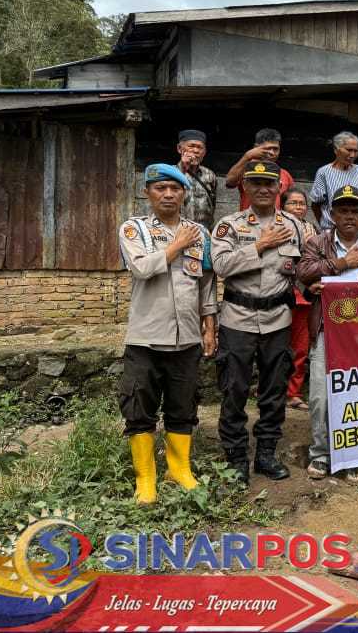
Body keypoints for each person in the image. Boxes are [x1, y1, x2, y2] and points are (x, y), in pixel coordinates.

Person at [117, 164, 217, 505]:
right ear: (148, 192)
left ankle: (179, 469)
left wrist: (210, 326)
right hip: (145, 337)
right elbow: (142, 268)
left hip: (187, 337)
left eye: (175, 189)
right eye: (160, 188)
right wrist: (175, 246)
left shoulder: (199, 234)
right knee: (138, 406)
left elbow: (207, 283)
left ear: (184, 193)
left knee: (183, 404)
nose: (169, 194)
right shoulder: (135, 230)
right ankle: (146, 478)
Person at [211, 160, 307, 485]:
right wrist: (259, 245)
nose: (264, 189)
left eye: (270, 183)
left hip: (278, 319)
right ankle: (236, 457)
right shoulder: (229, 225)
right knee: (234, 389)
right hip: (237, 319)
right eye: (256, 183)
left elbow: (305, 267)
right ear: (246, 188)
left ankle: (265, 454)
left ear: (279, 188)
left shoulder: (295, 225)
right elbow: (221, 265)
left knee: (274, 390)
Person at [297, 185, 358, 479]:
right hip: (328, 327)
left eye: (355, 211)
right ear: (332, 214)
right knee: (321, 396)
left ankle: (353, 455)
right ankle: (321, 454)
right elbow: (304, 271)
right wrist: (343, 263)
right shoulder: (317, 242)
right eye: (343, 211)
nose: (350, 216)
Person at [280, 189, 319, 411]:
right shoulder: (276, 226)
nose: (298, 207)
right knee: (275, 346)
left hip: (305, 293)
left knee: (300, 347)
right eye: (293, 203)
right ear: (283, 206)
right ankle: (272, 389)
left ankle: (292, 392)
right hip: (280, 292)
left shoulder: (312, 229)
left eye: (302, 203)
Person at [309, 131, 358, 230]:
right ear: (336, 150)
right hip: (331, 229)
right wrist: (326, 224)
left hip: (356, 231)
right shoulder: (324, 172)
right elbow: (316, 204)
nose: (352, 155)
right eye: (349, 150)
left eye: (356, 151)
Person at [226, 129, 295, 211]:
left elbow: (291, 202)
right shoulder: (246, 169)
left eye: (275, 149)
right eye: (268, 148)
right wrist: (247, 156)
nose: (272, 153)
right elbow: (229, 182)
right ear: (256, 148)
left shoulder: (285, 175)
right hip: (248, 221)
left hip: (277, 222)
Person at [176, 129, 218, 228]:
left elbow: (212, 205)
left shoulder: (210, 175)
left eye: (200, 148)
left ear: (204, 152)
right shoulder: (171, 172)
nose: (196, 151)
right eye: (191, 146)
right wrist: (183, 167)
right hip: (178, 231)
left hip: (203, 232)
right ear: (179, 148)